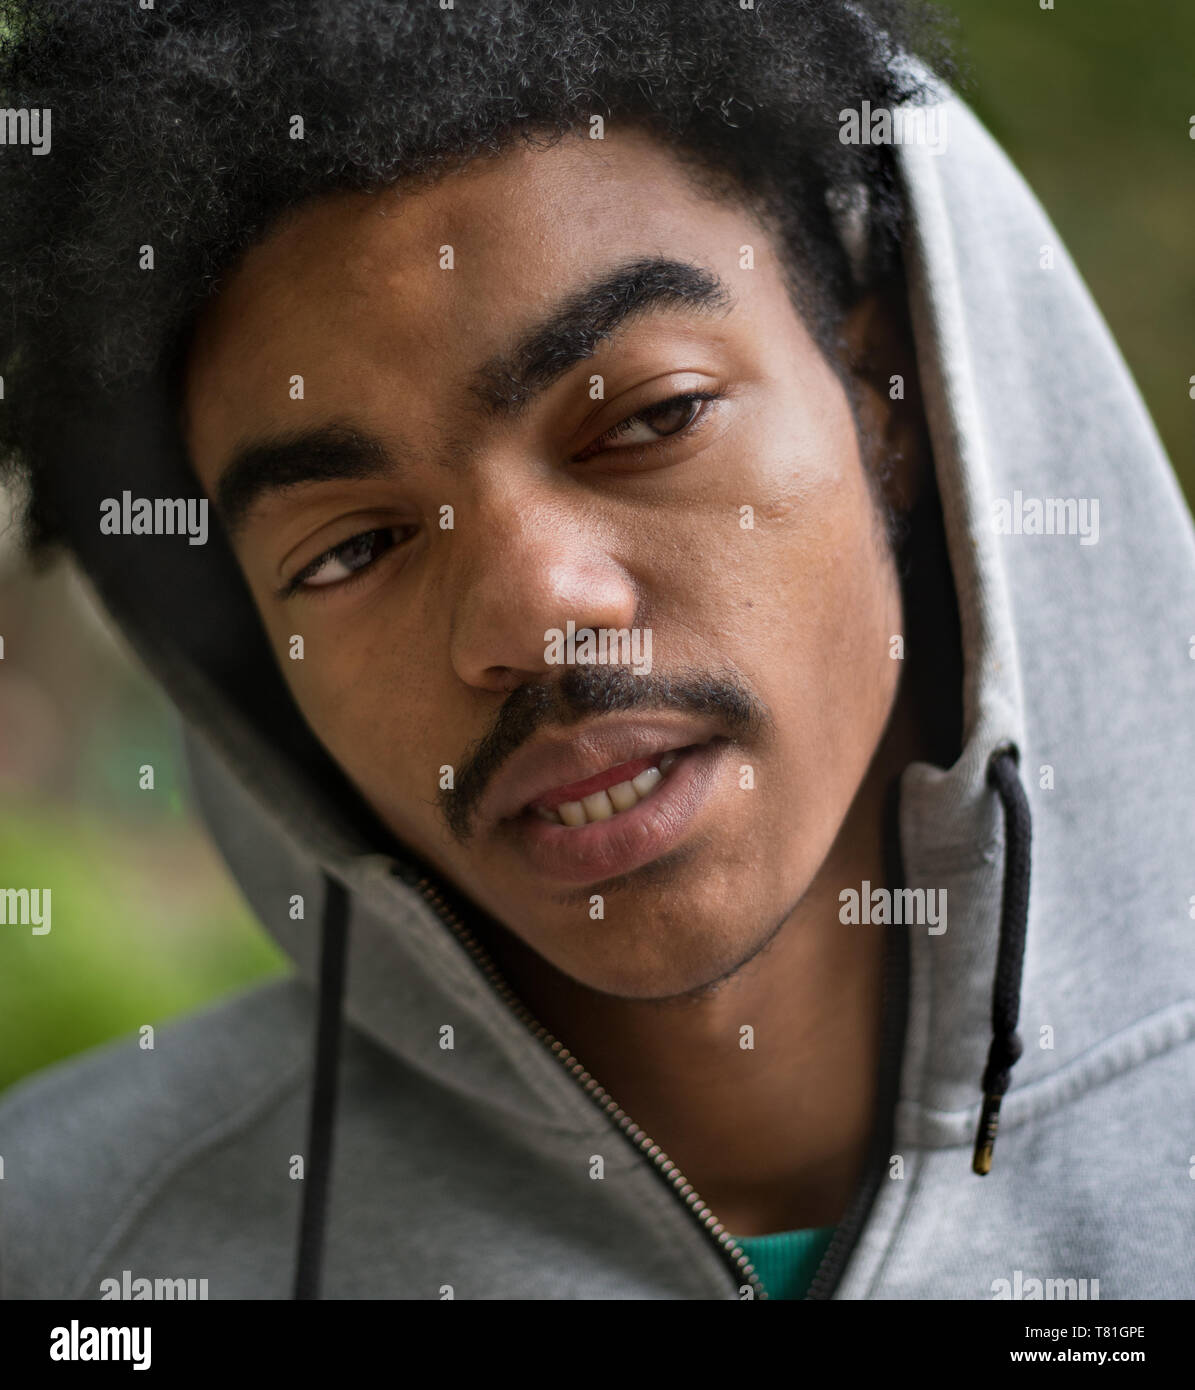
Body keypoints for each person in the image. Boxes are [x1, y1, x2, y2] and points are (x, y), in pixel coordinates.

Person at [1, 0, 1192, 1302]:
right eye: (351, 548)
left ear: (883, 399)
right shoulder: (69, 1253)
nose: (532, 614)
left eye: (651, 418)